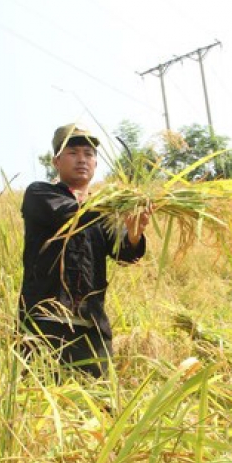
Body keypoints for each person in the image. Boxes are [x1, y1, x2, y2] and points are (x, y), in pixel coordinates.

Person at [18, 123, 150, 377]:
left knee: (101, 408)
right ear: (57, 161)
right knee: (39, 403)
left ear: (96, 164)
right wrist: (116, 203)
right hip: (46, 323)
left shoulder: (102, 212)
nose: (82, 160)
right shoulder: (40, 194)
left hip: (91, 328)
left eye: (89, 154)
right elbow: (72, 215)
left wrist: (134, 234)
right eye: (73, 152)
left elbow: (125, 254)